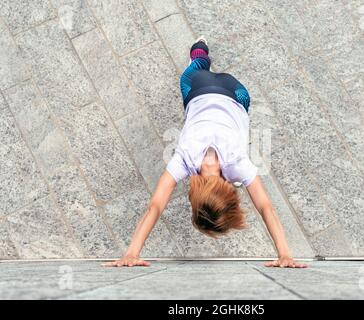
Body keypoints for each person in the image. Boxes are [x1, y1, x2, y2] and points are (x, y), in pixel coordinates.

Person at [104, 37, 307, 268]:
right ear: (194, 194)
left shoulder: (238, 163)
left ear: (229, 193)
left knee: (238, 113)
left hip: (236, 92)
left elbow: (265, 207)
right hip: (198, 88)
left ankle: (202, 54)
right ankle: (199, 53)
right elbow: (155, 206)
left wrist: (284, 254)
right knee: (190, 74)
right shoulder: (184, 159)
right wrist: (132, 252)